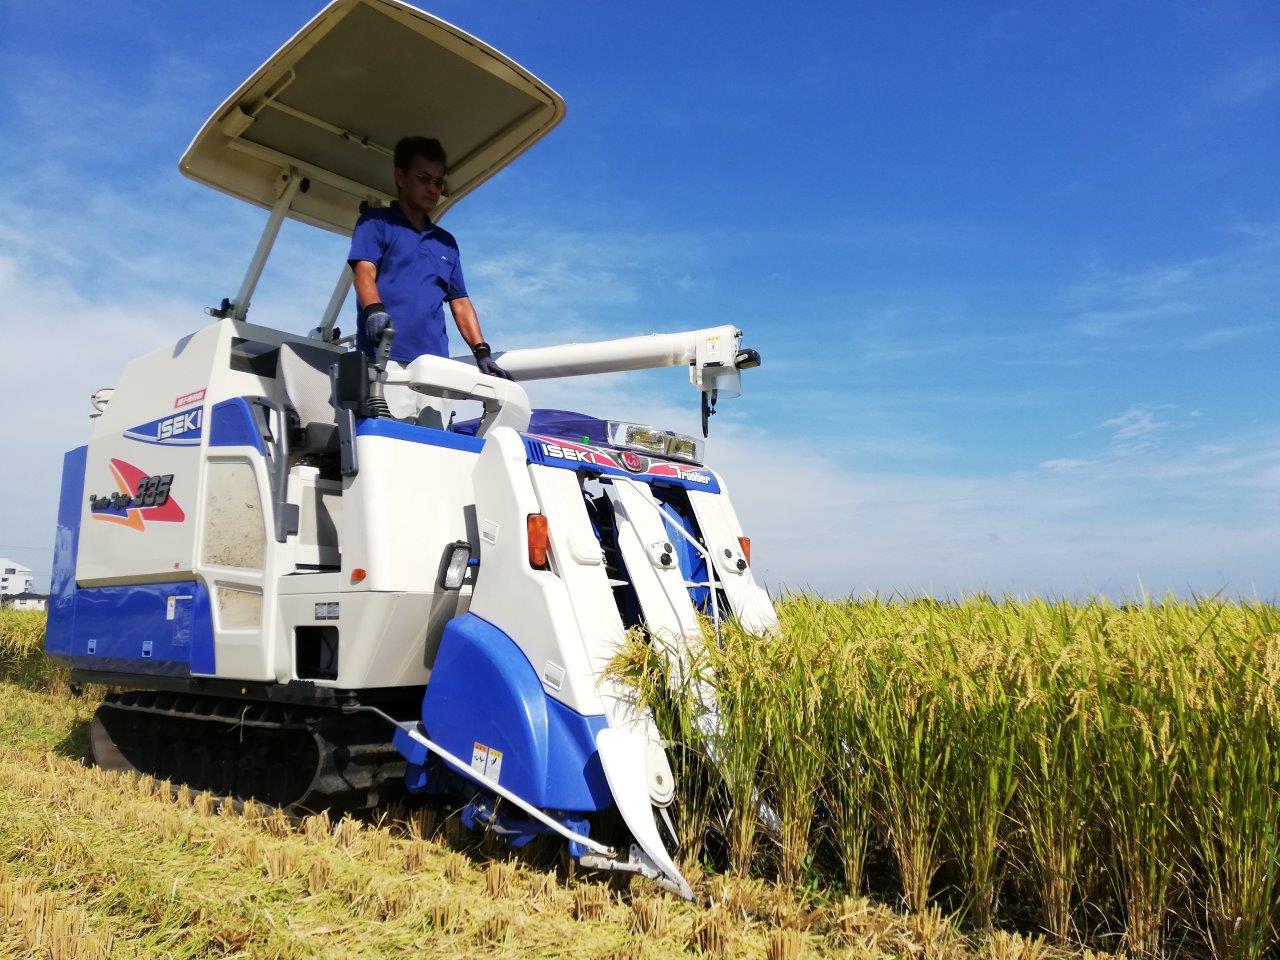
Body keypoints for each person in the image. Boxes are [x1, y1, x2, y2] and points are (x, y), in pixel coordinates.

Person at [347, 136, 511, 427]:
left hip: (437, 368)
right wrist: (374, 310)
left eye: (438, 182)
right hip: (387, 362)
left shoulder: (446, 243)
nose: (432, 189)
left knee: (433, 453)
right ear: (400, 176)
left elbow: (460, 302)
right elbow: (364, 272)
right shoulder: (376, 223)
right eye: (424, 179)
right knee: (390, 452)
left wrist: (482, 352)